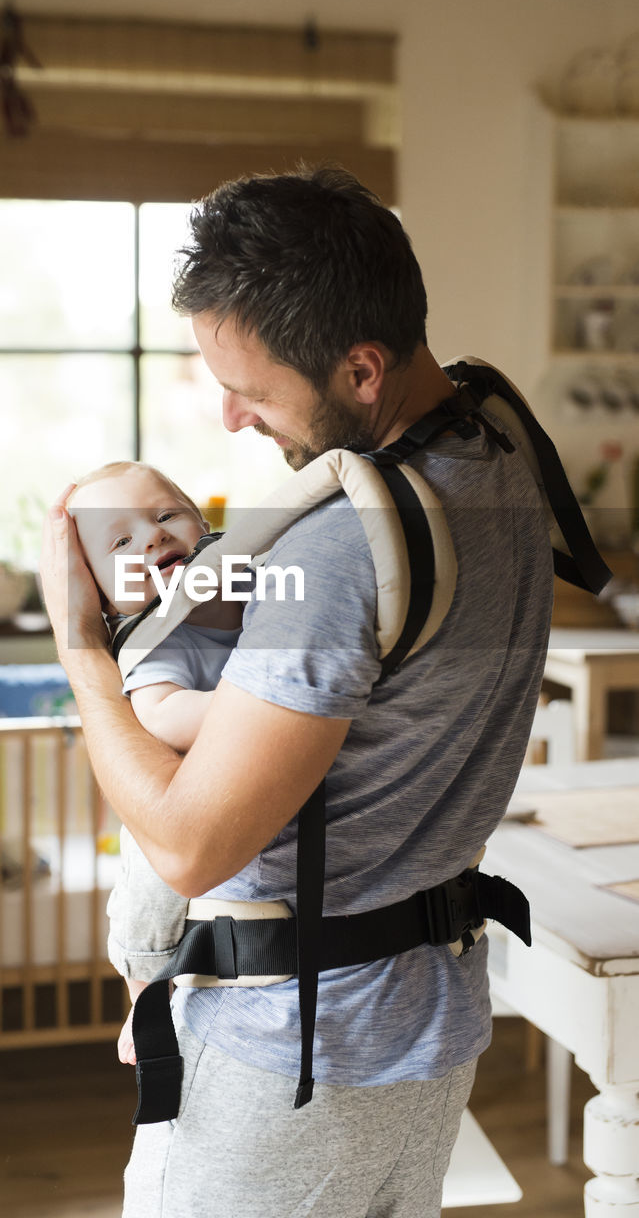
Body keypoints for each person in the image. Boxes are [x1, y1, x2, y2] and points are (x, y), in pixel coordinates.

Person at [40, 165, 553, 1218]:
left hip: (291, 1049)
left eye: (255, 391)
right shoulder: (506, 457)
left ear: (362, 368)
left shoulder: (337, 548)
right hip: (432, 1028)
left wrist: (82, 645)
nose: (230, 419)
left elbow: (189, 845)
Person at [65, 460, 242, 1064]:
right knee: (150, 879)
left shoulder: (255, 594)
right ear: (104, 595)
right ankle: (144, 992)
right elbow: (162, 716)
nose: (153, 536)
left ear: (206, 528)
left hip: (249, 789)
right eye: (121, 542)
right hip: (176, 793)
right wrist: (259, 705)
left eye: (167, 516)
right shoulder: (154, 639)